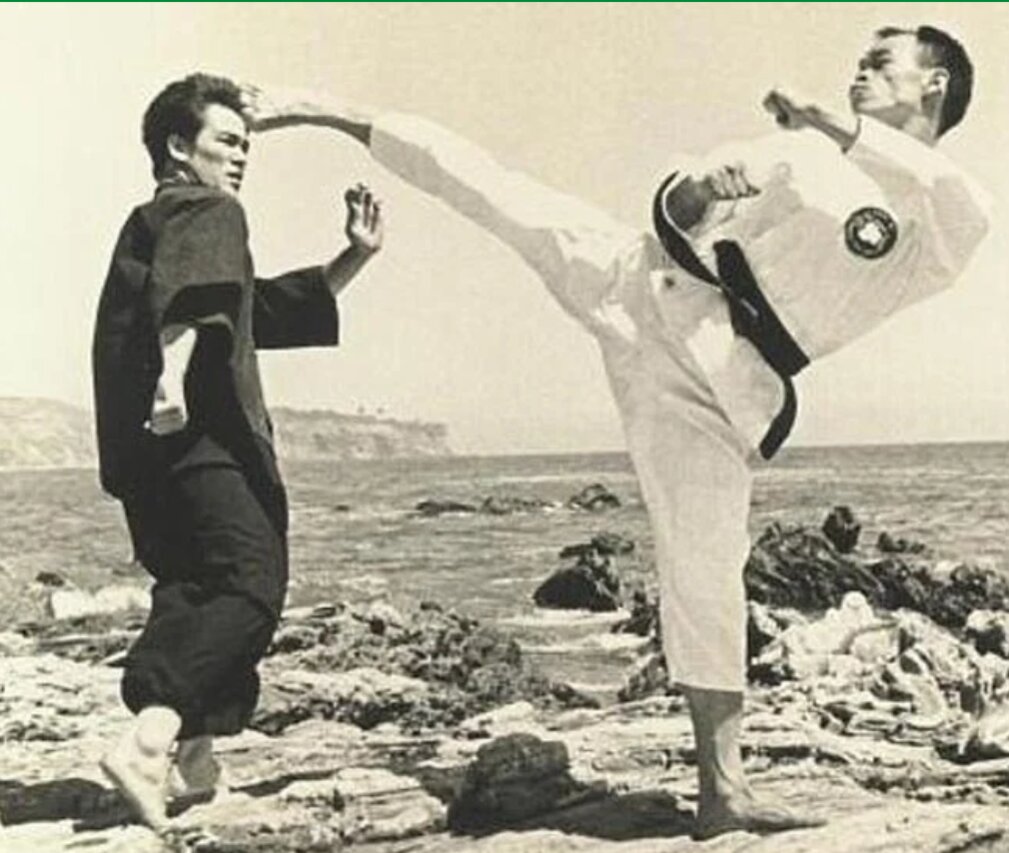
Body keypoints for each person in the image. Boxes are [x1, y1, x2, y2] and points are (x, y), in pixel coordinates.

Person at [242, 24, 989, 839]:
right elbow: (677, 215)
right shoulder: (800, 157)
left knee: (706, 567)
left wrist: (821, 116)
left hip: (715, 379)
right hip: (637, 279)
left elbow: (947, 190)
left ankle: (722, 792)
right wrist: (698, 193)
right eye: (857, 65)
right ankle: (325, 109)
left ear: (934, 86)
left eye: (879, 64)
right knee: (490, 187)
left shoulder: (943, 223)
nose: (857, 75)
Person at [91, 72, 383, 834]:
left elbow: (254, 309)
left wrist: (352, 257)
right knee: (251, 581)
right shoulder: (208, 209)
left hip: (145, 453)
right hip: (193, 435)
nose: (242, 155)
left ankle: (193, 757)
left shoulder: (159, 219)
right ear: (177, 147)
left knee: (194, 587)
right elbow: (190, 303)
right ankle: (148, 743)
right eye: (227, 140)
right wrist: (171, 382)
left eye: (246, 144)